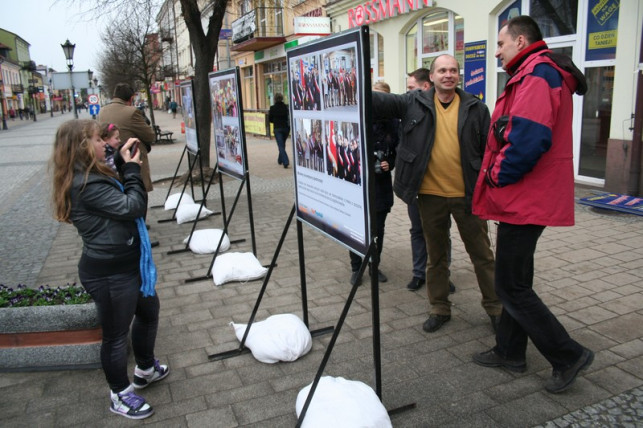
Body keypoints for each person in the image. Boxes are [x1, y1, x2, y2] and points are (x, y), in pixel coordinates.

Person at [471, 16, 593, 394]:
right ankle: (510, 351)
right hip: (525, 198)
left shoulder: (537, 74)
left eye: (502, 43)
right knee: (515, 280)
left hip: (524, 196)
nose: (497, 50)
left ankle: (567, 354)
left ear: (521, 40)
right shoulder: (533, 71)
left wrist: (495, 175)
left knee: (511, 285)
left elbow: (528, 138)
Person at [372, 55, 501, 333]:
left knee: (482, 255)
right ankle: (439, 308)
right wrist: (351, 85)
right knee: (436, 256)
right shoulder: (412, 102)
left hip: (467, 195)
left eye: (453, 70)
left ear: (458, 76)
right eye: (442, 70)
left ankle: (496, 309)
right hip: (429, 195)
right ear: (431, 77)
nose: (448, 75)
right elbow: (378, 102)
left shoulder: (476, 107)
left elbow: (488, 150)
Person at [50, 119, 169, 419]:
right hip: (109, 272)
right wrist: (131, 170)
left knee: (148, 312)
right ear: (81, 146)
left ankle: (145, 369)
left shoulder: (91, 172)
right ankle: (119, 393)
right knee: (116, 336)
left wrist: (119, 158)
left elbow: (111, 180)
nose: (104, 143)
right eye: (97, 139)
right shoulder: (84, 184)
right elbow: (132, 207)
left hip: (128, 263)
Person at [404, 69, 455, 296]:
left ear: (425, 87)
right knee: (418, 230)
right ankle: (419, 273)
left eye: (410, 88)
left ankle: (443, 275)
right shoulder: (409, 111)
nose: (406, 93)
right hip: (417, 185)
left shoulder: (447, 111)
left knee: (441, 233)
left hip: (444, 187)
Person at [349, 81, 398, 286]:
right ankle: (356, 267)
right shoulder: (356, 119)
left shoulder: (394, 123)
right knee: (356, 226)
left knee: (378, 228)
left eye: (381, 97)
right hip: (357, 184)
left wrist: (390, 163)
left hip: (381, 185)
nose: (377, 101)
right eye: (374, 96)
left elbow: (399, 150)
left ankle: (373, 266)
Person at [98, 83, 155, 192]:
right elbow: (150, 135)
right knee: (137, 192)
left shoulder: (102, 111)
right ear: (131, 98)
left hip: (109, 159)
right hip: (130, 157)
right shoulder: (132, 112)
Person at [268, 93, 290, 168]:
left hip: (277, 128)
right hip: (286, 128)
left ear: (274, 99)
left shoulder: (272, 108)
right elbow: (288, 117)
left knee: (281, 145)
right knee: (282, 144)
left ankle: (285, 161)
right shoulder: (285, 107)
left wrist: (275, 120)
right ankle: (280, 160)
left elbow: (270, 120)